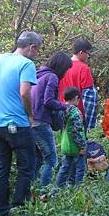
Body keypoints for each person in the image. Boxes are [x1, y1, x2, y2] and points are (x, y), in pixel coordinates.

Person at [0, 31, 41, 216]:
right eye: (37, 50)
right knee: (26, 167)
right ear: (31, 47)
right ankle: (18, 209)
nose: (37, 54)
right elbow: (25, 92)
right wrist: (30, 115)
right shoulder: (26, 64)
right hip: (17, 124)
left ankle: (0, 212)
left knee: (1, 168)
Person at [31, 52, 72, 190]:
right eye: (66, 69)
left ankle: (30, 189)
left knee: (38, 158)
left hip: (31, 121)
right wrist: (64, 106)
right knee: (51, 160)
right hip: (41, 121)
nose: (66, 73)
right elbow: (48, 101)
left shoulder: (39, 75)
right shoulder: (52, 77)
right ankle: (45, 191)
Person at [58, 38, 98, 131]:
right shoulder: (84, 69)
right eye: (88, 53)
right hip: (77, 115)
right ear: (81, 52)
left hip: (61, 112)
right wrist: (88, 122)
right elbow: (89, 98)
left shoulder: (62, 66)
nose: (88, 56)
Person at [56, 87, 87, 187]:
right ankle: (78, 189)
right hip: (75, 146)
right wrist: (82, 146)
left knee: (64, 167)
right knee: (80, 168)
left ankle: (59, 187)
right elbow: (77, 131)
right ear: (76, 98)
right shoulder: (75, 113)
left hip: (65, 144)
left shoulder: (61, 111)